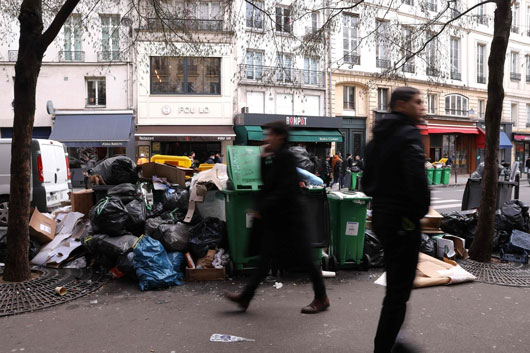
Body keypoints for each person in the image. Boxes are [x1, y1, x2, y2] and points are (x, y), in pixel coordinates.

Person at [224, 121, 329, 314]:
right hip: (276, 218)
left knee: (306, 259)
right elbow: (266, 184)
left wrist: (262, 207)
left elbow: (284, 189)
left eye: (270, 135)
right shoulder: (271, 157)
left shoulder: (286, 157)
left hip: (291, 217)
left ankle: (321, 298)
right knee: (265, 259)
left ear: (280, 137)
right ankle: (246, 297)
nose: (266, 138)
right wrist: (264, 160)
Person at [362, 87, 430, 353]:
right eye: (418, 102)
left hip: (382, 215)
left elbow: (367, 181)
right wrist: (419, 211)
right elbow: (416, 179)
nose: (422, 106)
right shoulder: (409, 135)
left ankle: (393, 341)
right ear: (401, 105)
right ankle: (386, 345)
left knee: (396, 287)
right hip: (404, 220)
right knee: (398, 293)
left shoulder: (376, 139)